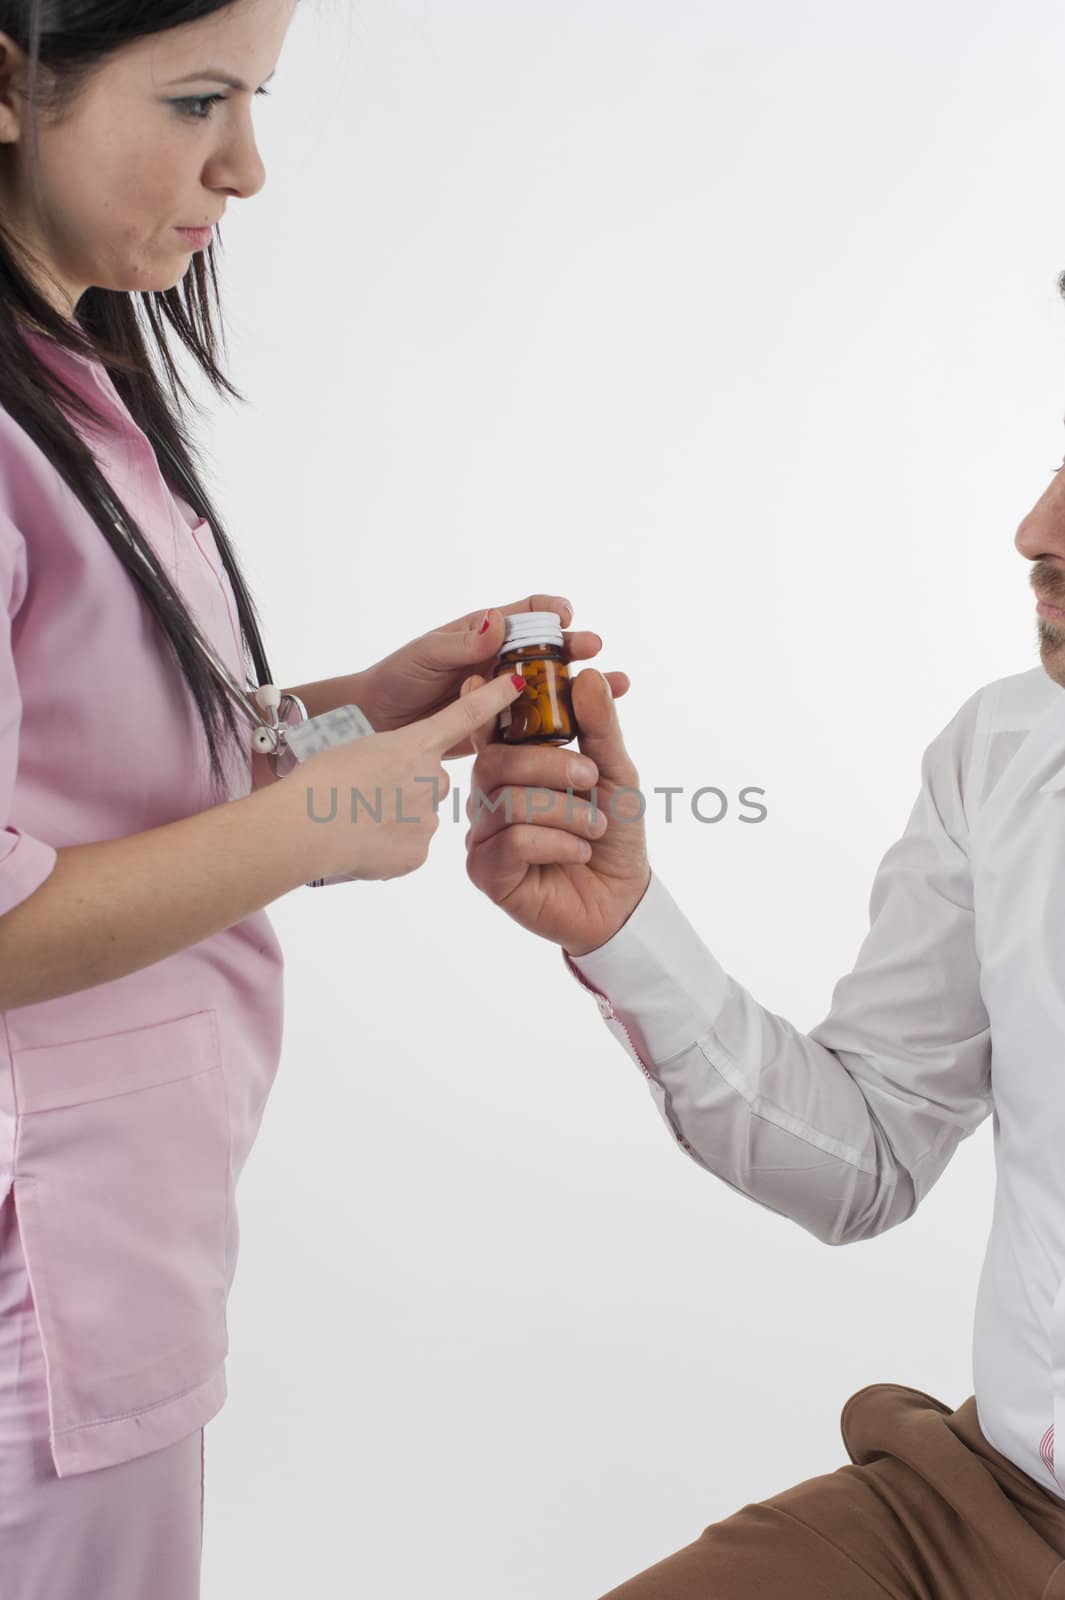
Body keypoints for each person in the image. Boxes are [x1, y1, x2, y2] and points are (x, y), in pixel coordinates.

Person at [0, 3, 628, 1594]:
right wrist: (330, 815)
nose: (249, 168)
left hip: (119, 1237)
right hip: (44, 1277)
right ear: (6, 83)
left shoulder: (72, 379)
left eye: (259, 98)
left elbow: (94, 758)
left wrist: (354, 722)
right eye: (199, 98)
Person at [461, 334, 1065, 1595]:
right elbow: (872, 1155)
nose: (1034, 528)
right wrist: (622, 928)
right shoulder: (1006, 751)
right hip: (992, 1507)